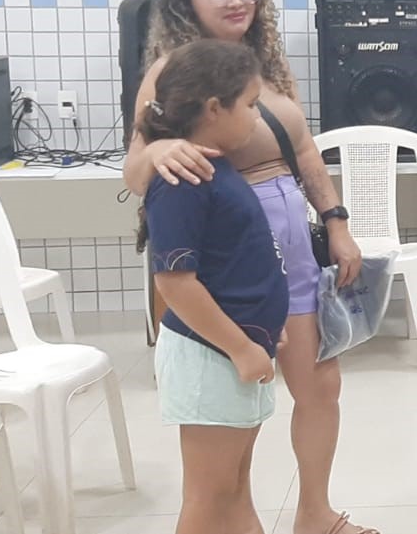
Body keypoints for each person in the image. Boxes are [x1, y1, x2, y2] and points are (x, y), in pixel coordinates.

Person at [125, 0, 373, 534]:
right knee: (236, 409)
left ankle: (315, 513)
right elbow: (135, 169)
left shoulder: (264, 63)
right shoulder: (175, 73)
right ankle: (236, 514)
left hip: (290, 242)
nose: (236, 0)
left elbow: (305, 151)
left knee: (320, 384)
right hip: (229, 254)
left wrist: (336, 221)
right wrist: (157, 150)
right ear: (185, 0)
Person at [139, 40, 284, 534]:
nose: (257, 118)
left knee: (235, 488)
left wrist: (263, 329)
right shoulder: (182, 178)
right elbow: (174, 282)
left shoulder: (215, 164)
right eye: (251, 104)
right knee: (209, 495)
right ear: (214, 108)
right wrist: (241, 347)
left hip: (235, 350)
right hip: (211, 356)